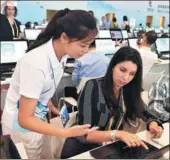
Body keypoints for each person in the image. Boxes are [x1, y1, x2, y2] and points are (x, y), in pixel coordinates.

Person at [1, 8, 98, 159]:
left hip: (38, 117)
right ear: (65, 37)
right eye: (83, 45)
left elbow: (46, 83)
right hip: (21, 126)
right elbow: (24, 119)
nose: (86, 50)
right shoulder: (35, 63)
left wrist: (49, 103)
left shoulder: (63, 53)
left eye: (89, 45)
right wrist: (67, 132)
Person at [61, 47, 163, 158]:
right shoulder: (92, 86)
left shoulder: (127, 89)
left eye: (132, 74)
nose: (125, 78)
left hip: (107, 149)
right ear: (113, 66)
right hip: (81, 150)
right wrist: (117, 134)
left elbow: (146, 112)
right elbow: (84, 134)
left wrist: (153, 124)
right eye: (122, 70)